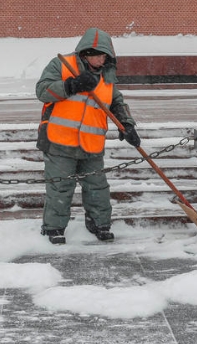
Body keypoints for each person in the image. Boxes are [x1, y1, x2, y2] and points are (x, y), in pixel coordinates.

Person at [35, 28, 141, 245]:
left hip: (91, 143)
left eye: (103, 55)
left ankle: (99, 223)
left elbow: (116, 101)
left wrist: (127, 124)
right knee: (60, 187)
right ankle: (54, 227)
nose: (99, 59)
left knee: (97, 186)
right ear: (84, 53)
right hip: (59, 139)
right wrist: (70, 86)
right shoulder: (62, 65)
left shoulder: (107, 75)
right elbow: (42, 91)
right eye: (94, 55)